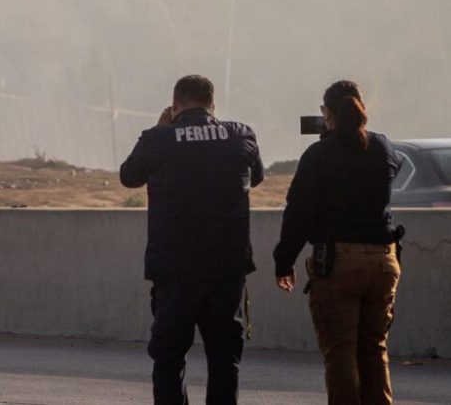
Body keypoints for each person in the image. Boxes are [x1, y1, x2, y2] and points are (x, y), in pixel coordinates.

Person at [120, 74, 265, 405]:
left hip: (175, 271)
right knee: (224, 357)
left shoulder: (158, 139)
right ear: (213, 105)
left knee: (169, 358)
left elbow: (129, 176)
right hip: (226, 271)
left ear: (175, 105)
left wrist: (160, 129)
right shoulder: (240, 135)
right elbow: (256, 176)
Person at [273, 80, 403, 405]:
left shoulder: (318, 155)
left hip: (338, 264)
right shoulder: (383, 147)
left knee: (340, 353)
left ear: (326, 113)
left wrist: (284, 260)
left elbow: (298, 213)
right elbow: (394, 166)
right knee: (374, 349)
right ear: (362, 108)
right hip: (383, 261)